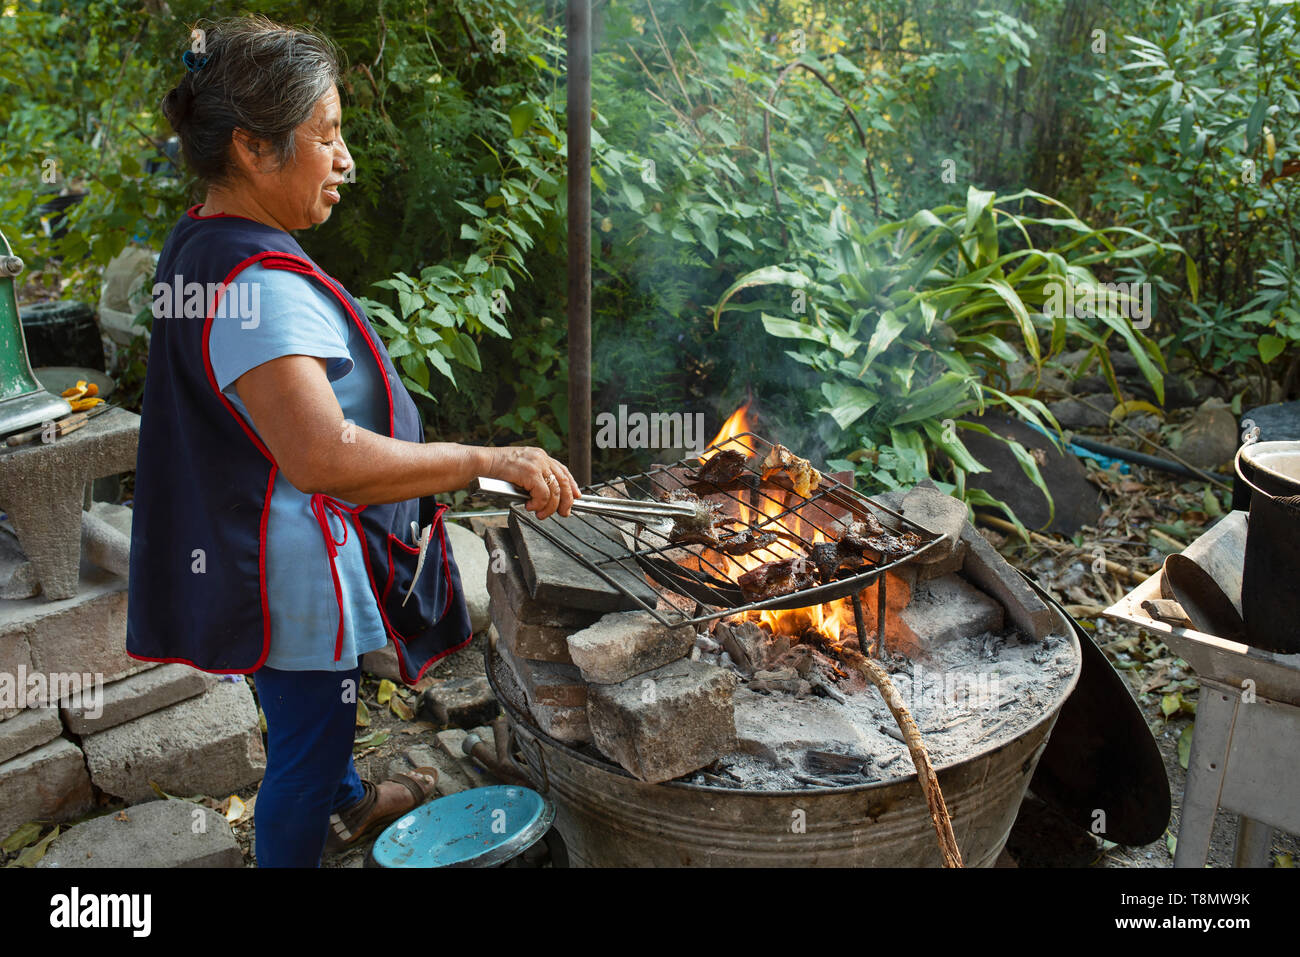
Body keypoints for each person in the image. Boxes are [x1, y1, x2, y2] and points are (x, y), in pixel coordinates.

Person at [125, 15, 579, 867]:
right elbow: (324, 458)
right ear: (256, 150)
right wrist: (484, 460)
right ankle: (303, 829)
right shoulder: (255, 286)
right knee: (305, 734)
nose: (346, 158)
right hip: (279, 565)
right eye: (325, 135)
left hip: (233, 534)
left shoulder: (201, 240)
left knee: (302, 705)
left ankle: (353, 799)